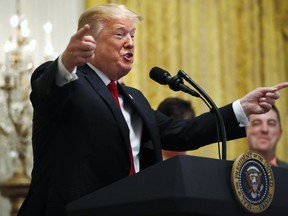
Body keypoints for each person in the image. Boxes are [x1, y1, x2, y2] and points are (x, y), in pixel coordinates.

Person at [17, 3, 288, 216]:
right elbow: (47, 94)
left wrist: (241, 108)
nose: (131, 43)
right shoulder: (67, 81)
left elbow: (182, 133)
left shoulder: (134, 99)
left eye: (133, 35)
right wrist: (66, 61)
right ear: (90, 40)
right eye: (120, 34)